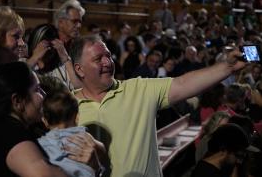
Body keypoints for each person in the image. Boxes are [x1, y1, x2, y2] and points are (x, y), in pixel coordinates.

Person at [68, 35, 245, 177]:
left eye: (108, 55)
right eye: (98, 59)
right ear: (79, 69)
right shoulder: (66, 108)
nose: (107, 62)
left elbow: (184, 84)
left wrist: (227, 67)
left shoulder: (139, 89)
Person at [0, 62, 101, 177]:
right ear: (18, 101)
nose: (44, 95)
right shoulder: (7, 132)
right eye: (37, 89)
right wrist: (92, 169)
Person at [38, 87, 105, 177]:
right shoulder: (84, 136)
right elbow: (101, 149)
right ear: (77, 117)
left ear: (45, 121)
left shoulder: (42, 143)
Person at [27, 23, 80, 90]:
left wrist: (65, 57)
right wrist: (34, 58)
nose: (48, 49)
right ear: (34, 44)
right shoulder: (24, 63)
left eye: (51, 46)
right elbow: (16, 81)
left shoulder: (62, 67)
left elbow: (78, 88)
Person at [191, 123, 257, 177]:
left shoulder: (210, 167)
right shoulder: (206, 173)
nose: (239, 161)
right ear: (225, 150)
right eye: (238, 155)